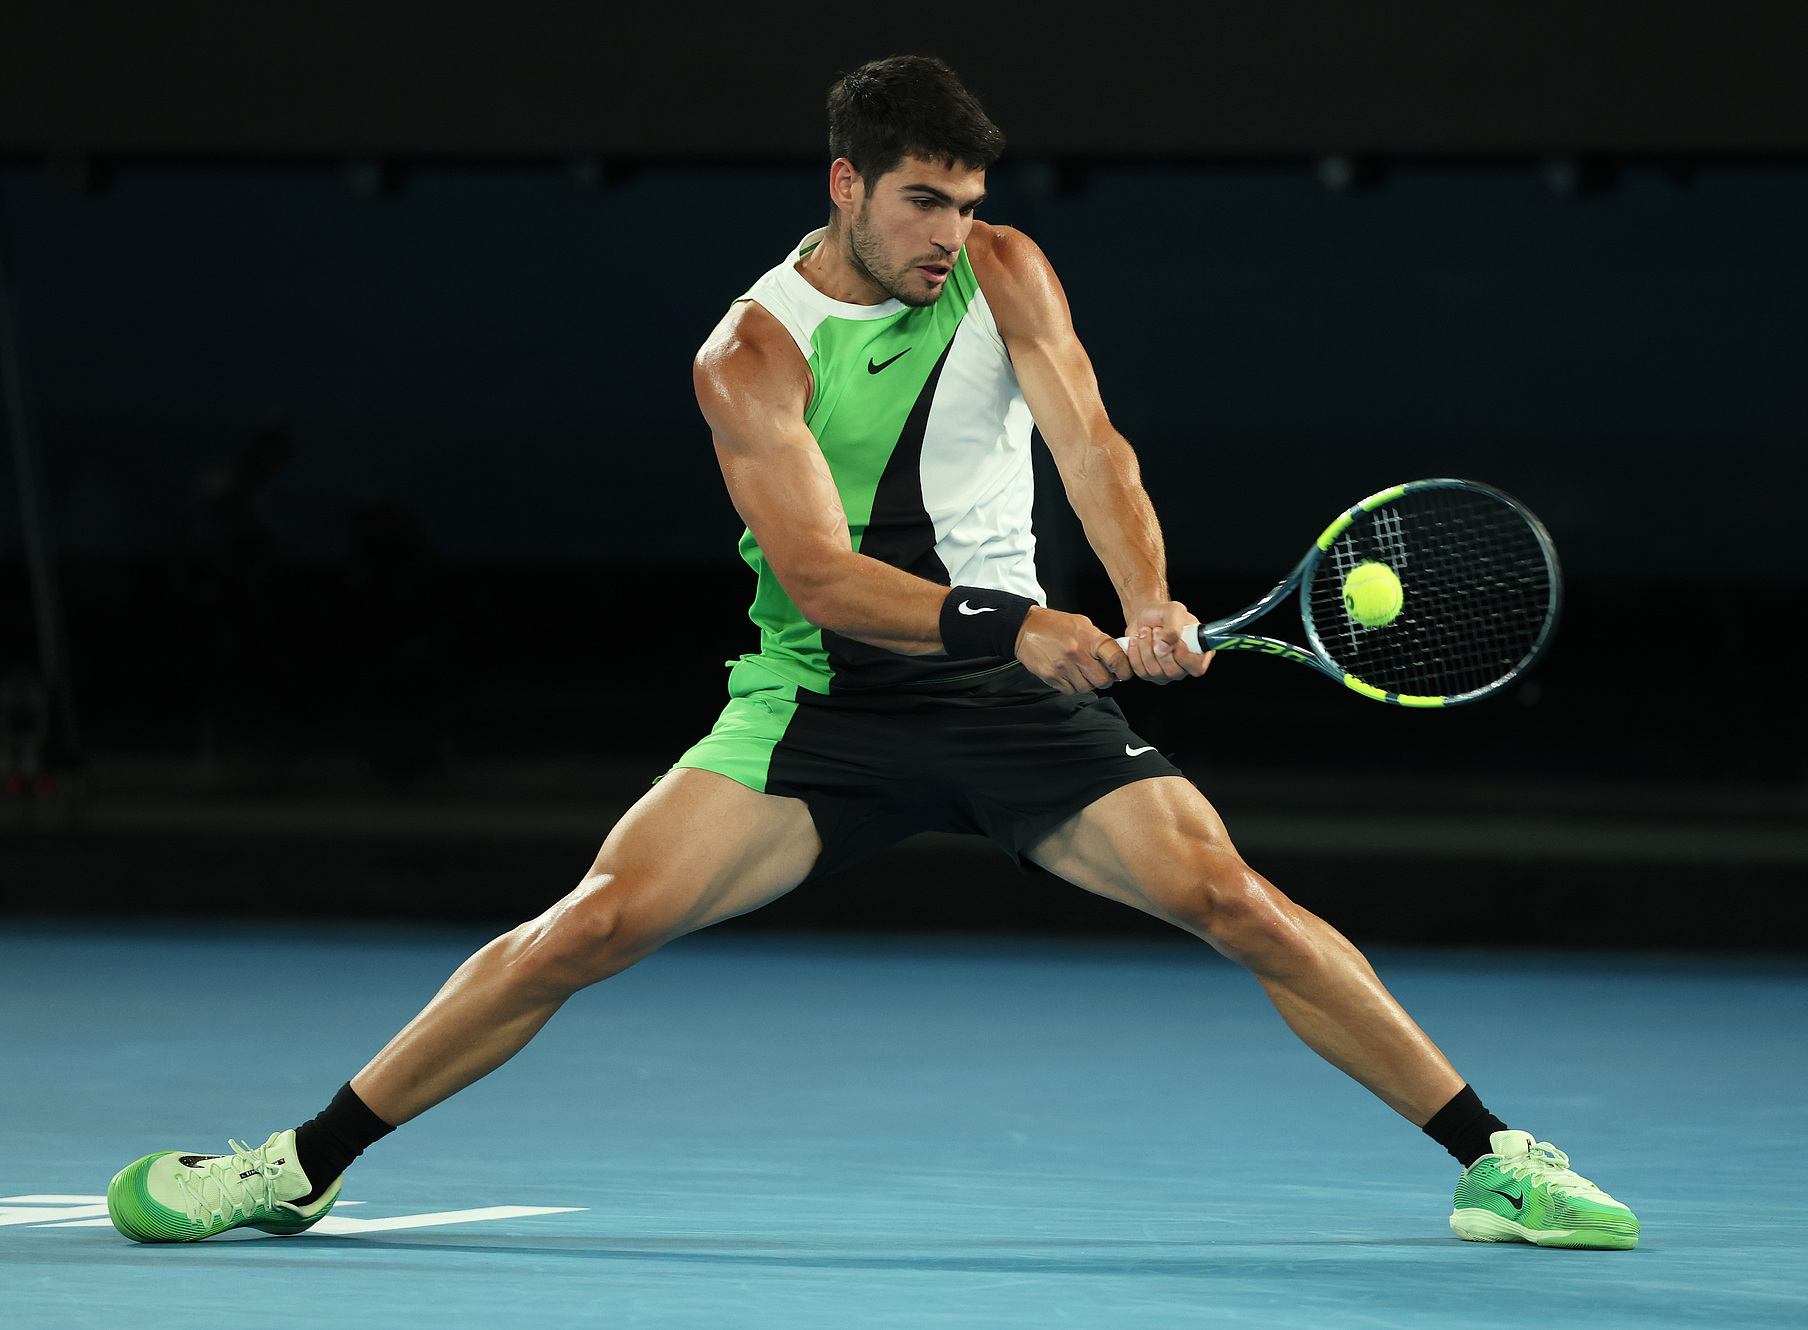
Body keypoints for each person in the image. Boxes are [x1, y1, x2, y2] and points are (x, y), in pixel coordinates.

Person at [106, 55, 1636, 1252]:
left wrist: (1151, 596)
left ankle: (1494, 1158)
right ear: (845, 182)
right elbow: (827, 581)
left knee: (1241, 900)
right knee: (584, 927)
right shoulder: (750, 352)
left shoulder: (1008, 272)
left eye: (968, 202)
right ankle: (293, 1168)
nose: (949, 236)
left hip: (1013, 704)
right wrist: (1026, 624)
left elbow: (1093, 446)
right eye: (922, 202)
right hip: (824, 705)